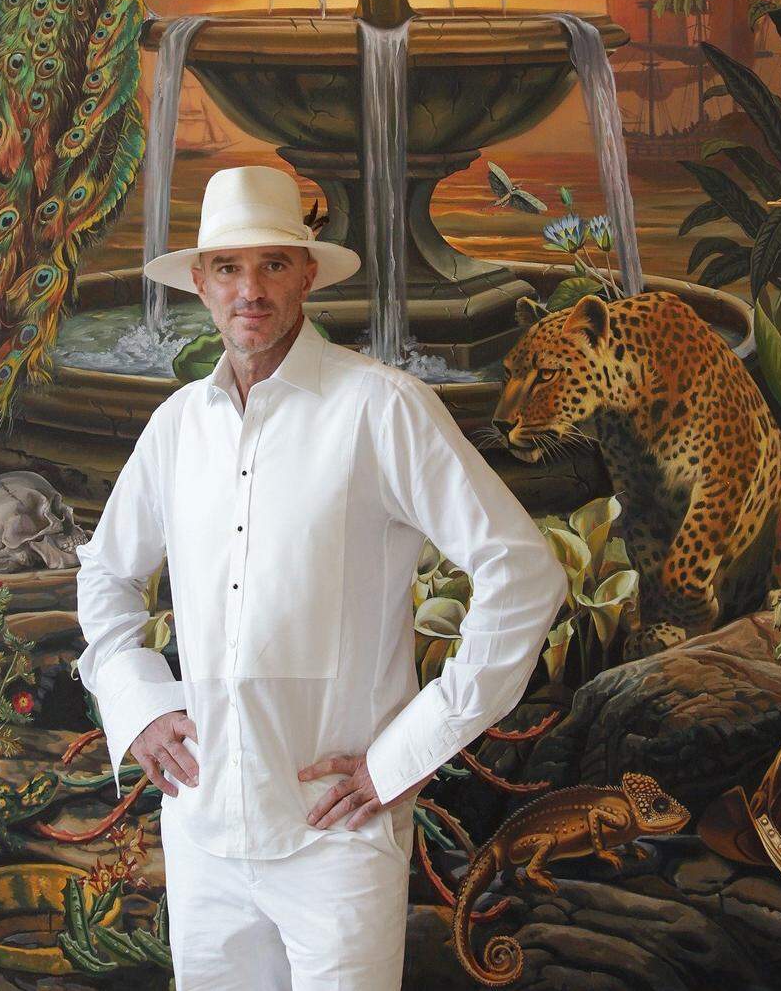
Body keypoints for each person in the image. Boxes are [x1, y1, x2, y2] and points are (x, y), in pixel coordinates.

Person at [74, 163, 567, 991]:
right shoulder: (175, 429)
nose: (250, 289)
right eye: (228, 267)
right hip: (202, 835)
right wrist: (140, 705)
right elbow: (106, 577)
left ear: (307, 272)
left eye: (272, 264)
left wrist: (403, 754)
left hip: (336, 835)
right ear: (199, 283)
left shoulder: (382, 408)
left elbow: (522, 573)